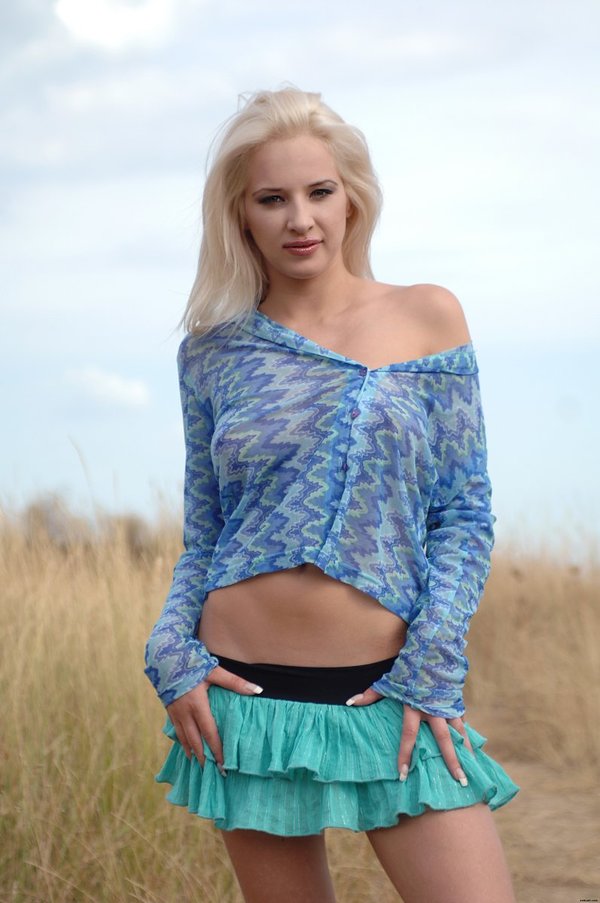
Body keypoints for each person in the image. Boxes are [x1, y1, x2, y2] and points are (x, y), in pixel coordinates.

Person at [144, 86, 520, 903]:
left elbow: (462, 511)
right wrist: (170, 649)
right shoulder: (212, 351)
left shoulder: (428, 315)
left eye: (318, 191)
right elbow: (206, 534)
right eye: (271, 199)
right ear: (241, 216)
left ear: (352, 198)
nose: (299, 219)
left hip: (393, 685)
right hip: (245, 697)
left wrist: (433, 658)